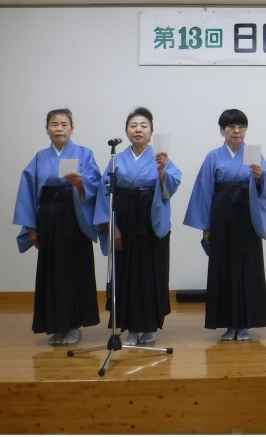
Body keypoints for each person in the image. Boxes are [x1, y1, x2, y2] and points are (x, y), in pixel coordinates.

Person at [13, 108, 102, 346]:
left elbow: (97, 184)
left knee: (75, 270)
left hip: (75, 216)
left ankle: (73, 325)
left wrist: (81, 182)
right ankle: (56, 326)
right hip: (49, 218)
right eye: (54, 124)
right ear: (47, 129)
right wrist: (31, 227)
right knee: (52, 272)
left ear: (72, 129)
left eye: (64, 124)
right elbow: (27, 192)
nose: (59, 128)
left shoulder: (84, 153)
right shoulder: (40, 157)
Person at [94, 107, 181, 346]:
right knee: (126, 273)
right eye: (133, 126)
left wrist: (162, 171)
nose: (138, 130)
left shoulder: (160, 158)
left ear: (151, 131)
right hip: (124, 219)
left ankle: (150, 326)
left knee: (152, 272)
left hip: (151, 218)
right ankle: (131, 328)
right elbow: (105, 192)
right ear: (126, 132)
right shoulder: (117, 159)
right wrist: (113, 226)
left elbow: (171, 187)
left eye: (143, 125)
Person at [184, 109, 266, 342]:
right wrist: (206, 226)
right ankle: (228, 324)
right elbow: (204, 190)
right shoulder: (213, 156)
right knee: (222, 266)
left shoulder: (254, 154)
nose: (237, 131)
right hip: (221, 213)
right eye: (231, 127)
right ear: (222, 131)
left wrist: (258, 178)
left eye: (241, 126)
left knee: (248, 266)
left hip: (247, 213)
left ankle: (244, 324)